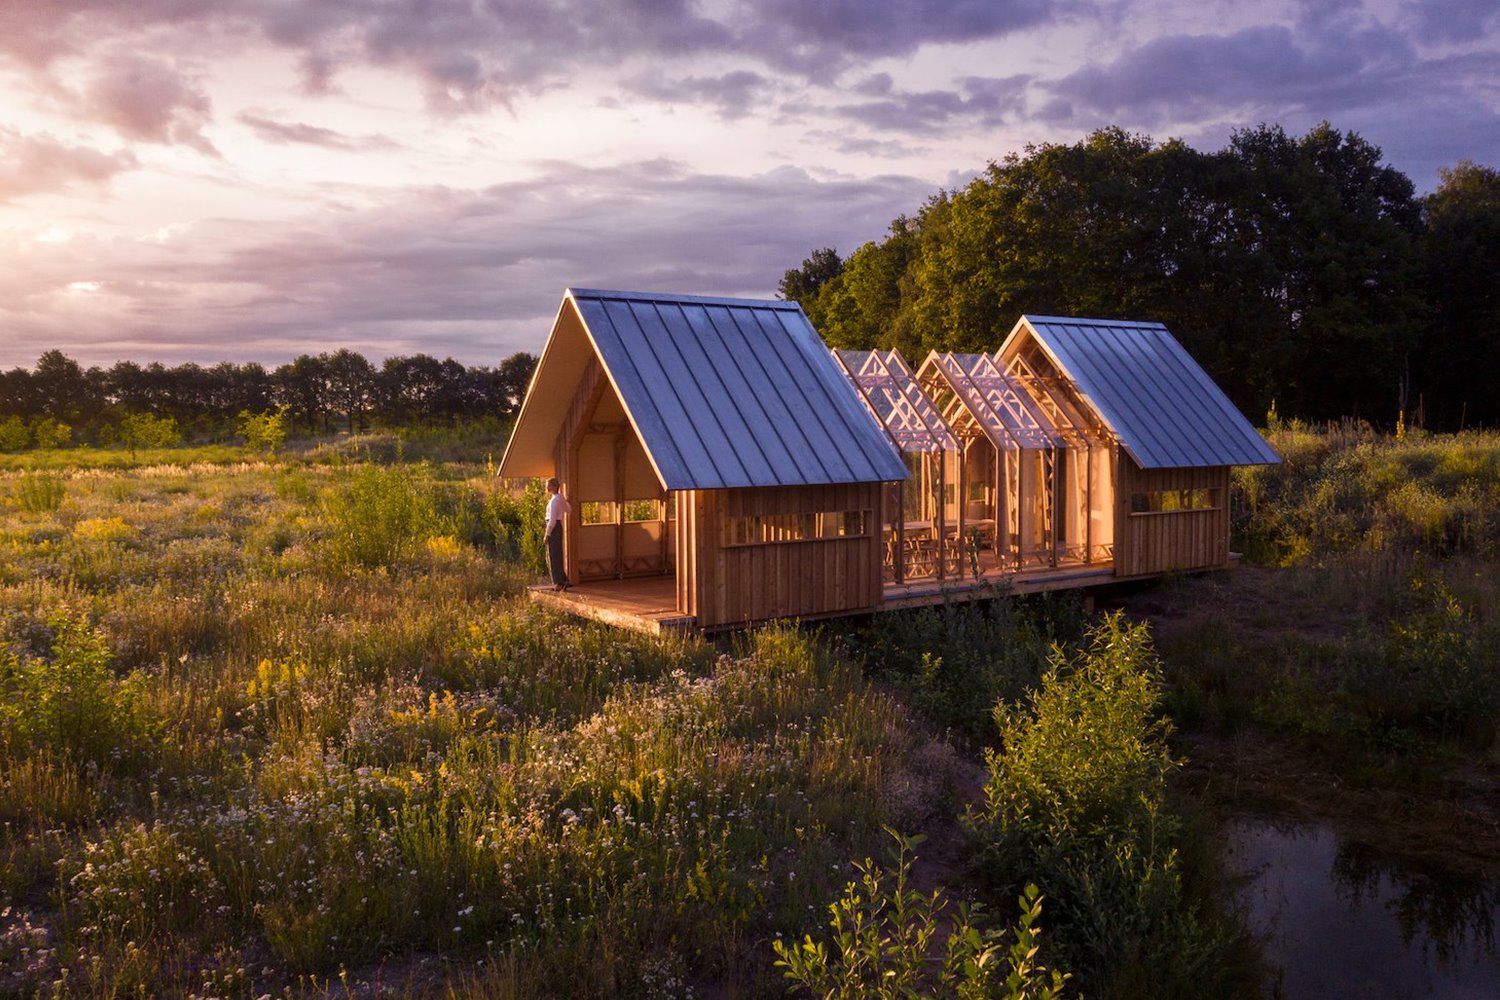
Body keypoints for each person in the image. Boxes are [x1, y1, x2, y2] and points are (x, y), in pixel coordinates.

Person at [544, 476, 571, 591]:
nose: (547, 487)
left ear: (555, 486)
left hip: (554, 528)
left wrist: (547, 534)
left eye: (549, 485)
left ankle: (558, 583)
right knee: (557, 553)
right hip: (558, 527)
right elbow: (569, 510)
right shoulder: (560, 498)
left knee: (553, 555)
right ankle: (563, 580)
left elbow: (552, 520)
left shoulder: (555, 501)